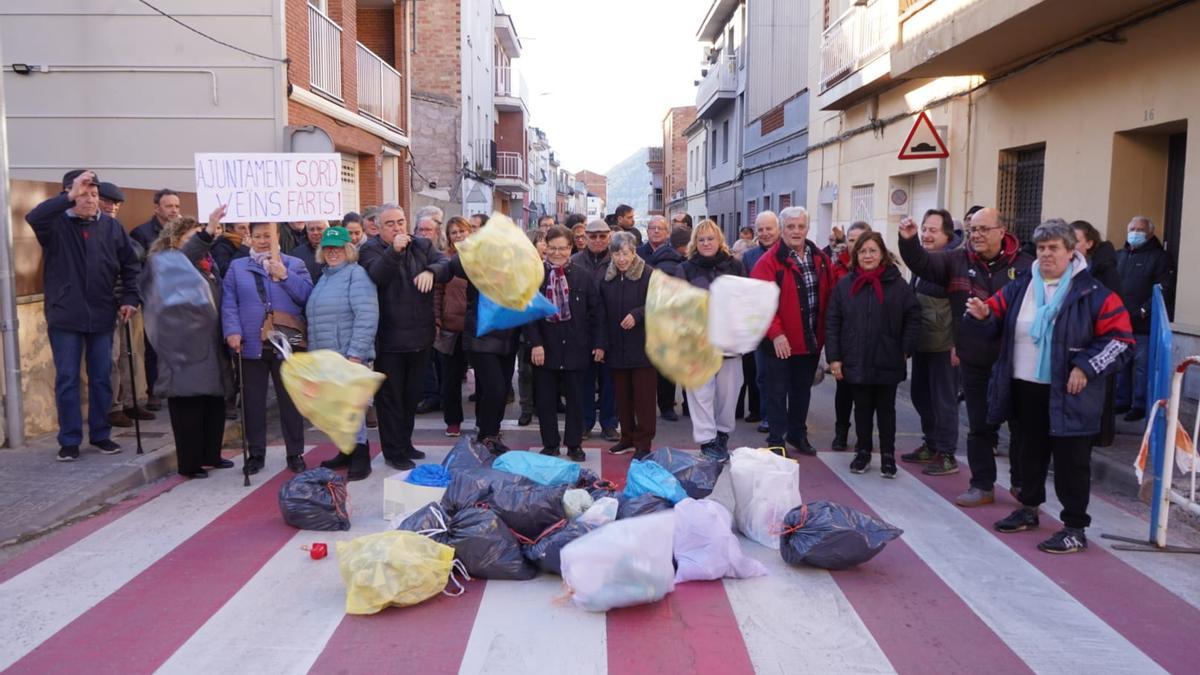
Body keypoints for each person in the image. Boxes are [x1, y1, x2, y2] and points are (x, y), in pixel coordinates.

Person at [965, 221, 1134, 554]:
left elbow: (1121, 341)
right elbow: (994, 318)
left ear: (1072, 252)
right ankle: (1029, 509)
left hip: (1071, 393)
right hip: (1026, 386)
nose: (1045, 254)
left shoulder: (1094, 294)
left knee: (1072, 462)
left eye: (1054, 247)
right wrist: (983, 315)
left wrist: (1085, 367)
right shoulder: (1021, 287)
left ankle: (1074, 527)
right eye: (1041, 248)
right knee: (1029, 453)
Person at [898, 206, 1033, 507]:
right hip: (975, 356)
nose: (978, 235)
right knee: (980, 425)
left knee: (1020, 426)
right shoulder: (957, 260)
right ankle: (982, 484)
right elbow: (923, 263)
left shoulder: (1026, 266)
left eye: (984, 229)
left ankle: (1022, 484)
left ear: (1002, 230)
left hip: (1016, 359)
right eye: (973, 230)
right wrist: (908, 241)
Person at [28, 171, 141, 461]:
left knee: (102, 377)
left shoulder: (112, 228)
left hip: (103, 314)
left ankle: (101, 434)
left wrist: (130, 298)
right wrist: (69, 195)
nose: (91, 200)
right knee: (67, 379)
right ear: (69, 195)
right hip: (65, 316)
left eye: (94, 194)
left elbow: (131, 265)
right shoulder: (54, 225)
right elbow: (33, 217)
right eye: (84, 193)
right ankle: (69, 440)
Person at [145, 209, 234, 478]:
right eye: (192, 236)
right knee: (189, 408)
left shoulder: (206, 265)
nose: (201, 241)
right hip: (183, 349)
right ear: (176, 239)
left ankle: (211, 454)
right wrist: (209, 229)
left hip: (210, 343)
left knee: (213, 403)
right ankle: (189, 463)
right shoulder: (167, 262)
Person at [221, 221, 313, 475]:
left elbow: (307, 296)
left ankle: (295, 452)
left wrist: (284, 275)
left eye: (268, 236)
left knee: (290, 401)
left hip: (286, 342)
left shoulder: (295, 264)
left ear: (277, 238)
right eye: (258, 236)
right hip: (251, 342)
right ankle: (256, 453)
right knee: (252, 402)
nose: (263, 241)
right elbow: (229, 302)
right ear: (250, 237)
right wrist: (232, 331)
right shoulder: (237, 267)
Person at [826, 232, 920, 477]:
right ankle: (863, 451)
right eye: (862, 251)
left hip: (887, 356)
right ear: (856, 256)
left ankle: (888, 455)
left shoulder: (897, 284)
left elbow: (913, 316)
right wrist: (834, 357)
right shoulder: (845, 285)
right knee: (862, 409)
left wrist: (905, 348)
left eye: (873, 251)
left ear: (882, 255)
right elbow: (833, 321)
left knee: (886, 410)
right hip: (855, 356)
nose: (868, 256)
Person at [358, 204, 444, 469]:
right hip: (390, 340)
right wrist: (393, 251)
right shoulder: (370, 249)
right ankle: (393, 451)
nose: (398, 228)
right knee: (390, 400)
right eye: (390, 224)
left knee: (410, 397)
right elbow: (377, 275)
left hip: (420, 337)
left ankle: (406, 444)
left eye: (401, 221)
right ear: (379, 227)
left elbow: (445, 263)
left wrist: (432, 271)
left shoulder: (421, 245)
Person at [750, 206, 834, 458]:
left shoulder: (820, 259)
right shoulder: (768, 262)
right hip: (778, 343)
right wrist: (776, 333)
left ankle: (797, 434)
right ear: (782, 230)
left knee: (802, 392)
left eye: (801, 226)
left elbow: (831, 293)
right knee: (776, 393)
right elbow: (759, 302)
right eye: (790, 227)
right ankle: (776, 440)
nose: (796, 231)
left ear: (807, 228)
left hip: (809, 340)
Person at [430, 222, 520, 455]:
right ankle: (487, 435)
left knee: (500, 391)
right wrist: (431, 272)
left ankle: (490, 432)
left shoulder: (518, 265)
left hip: (508, 337)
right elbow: (451, 267)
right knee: (495, 388)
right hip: (480, 337)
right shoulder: (476, 259)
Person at [306, 226, 379, 481]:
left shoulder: (356, 275)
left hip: (348, 356)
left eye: (337, 248)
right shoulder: (325, 277)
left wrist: (356, 354)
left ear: (348, 249)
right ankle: (346, 451)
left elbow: (367, 315)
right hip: (328, 357)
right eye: (328, 248)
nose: (332, 252)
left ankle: (361, 455)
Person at [524, 226, 603, 461]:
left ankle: (574, 444)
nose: (557, 253)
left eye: (563, 248)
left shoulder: (583, 276)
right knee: (545, 401)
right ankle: (550, 444)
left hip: (576, 347)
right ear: (545, 247)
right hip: (545, 348)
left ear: (571, 248)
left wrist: (597, 344)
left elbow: (595, 313)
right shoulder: (535, 276)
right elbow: (528, 313)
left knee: (576, 401)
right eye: (553, 248)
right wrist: (535, 344)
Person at [674, 220, 746, 460]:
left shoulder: (735, 266)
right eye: (701, 239)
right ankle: (707, 440)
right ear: (695, 243)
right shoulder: (685, 268)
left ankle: (723, 434)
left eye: (710, 239)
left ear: (719, 240)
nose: (706, 243)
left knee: (729, 393)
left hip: (729, 342)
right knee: (700, 394)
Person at [903, 209, 963, 476]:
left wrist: (958, 344)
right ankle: (931, 443)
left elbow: (961, 306)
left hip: (945, 346)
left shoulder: (955, 261)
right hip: (923, 343)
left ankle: (947, 453)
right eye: (924, 229)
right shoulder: (924, 262)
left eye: (933, 230)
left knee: (944, 401)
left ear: (947, 235)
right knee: (920, 396)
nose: (927, 235)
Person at [97, 182, 154, 429]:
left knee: (129, 356)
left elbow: (133, 258)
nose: (112, 207)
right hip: (106, 302)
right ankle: (114, 407)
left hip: (125, 301)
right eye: (107, 201)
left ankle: (130, 402)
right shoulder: (96, 228)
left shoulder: (116, 229)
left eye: (116, 203)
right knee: (112, 357)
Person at [599, 231, 656, 460]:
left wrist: (638, 314)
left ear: (634, 253)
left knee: (643, 399)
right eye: (617, 253)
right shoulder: (607, 278)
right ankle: (627, 437)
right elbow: (601, 313)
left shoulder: (648, 274)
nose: (621, 259)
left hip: (643, 348)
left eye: (626, 253)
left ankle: (643, 443)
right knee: (622, 398)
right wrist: (601, 344)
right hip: (617, 348)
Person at [1114, 216, 1173, 423]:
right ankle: (1121, 400)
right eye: (1132, 228)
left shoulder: (1159, 257)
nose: (1135, 232)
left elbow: (1163, 287)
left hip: (1143, 323)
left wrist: (1143, 310)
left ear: (1149, 233)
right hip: (1120, 322)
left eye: (1140, 229)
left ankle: (1138, 405)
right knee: (1122, 364)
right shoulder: (1119, 255)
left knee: (1141, 366)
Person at [130, 188, 181, 412]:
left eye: (177, 206)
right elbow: (138, 266)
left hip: (180, 294)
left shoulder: (183, 231)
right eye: (169, 206)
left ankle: (177, 386)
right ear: (157, 208)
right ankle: (154, 392)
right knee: (154, 346)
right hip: (154, 296)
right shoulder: (141, 233)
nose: (174, 210)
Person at [1072, 219, 1121, 446]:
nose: (1071, 245)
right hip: (1078, 336)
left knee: (1100, 388)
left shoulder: (1104, 268)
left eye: (1076, 241)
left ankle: (1100, 435)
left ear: (1090, 243)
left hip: (1099, 336)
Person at [573, 220, 620, 442]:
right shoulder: (574, 262)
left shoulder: (619, 260)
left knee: (610, 381)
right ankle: (585, 422)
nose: (598, 240)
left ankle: (610, 423)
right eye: (593, 236)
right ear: (585, 237)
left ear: (610, 236)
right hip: (583, 331)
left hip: (613, 330)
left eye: (603, 236)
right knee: (585, 381)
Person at [828, 221, 871, 451]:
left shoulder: (879, 264)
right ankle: (841, 431)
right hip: (846, 337)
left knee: (868, 393)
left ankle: (865, 437)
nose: (857, 245)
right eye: (852, 240)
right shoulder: (840, 266)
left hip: (871, 340)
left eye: (861, 239)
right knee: (843, 391)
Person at [641, 218, 686, 421]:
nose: (656, 231)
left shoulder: (677, 257)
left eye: (661, 228)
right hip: (642, 314)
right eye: (653, 228)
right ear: (647, 231)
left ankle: (667, 405)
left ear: (668, 233)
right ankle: (643, 405)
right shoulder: (638, 253)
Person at [741, 210, 781, 433]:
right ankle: (767, 416)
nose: (765, 233)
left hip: (786, 322)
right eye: (761, 230)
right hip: (760, 326)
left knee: (786, 378)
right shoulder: (749, 257)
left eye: (769, 229)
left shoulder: (790, 252)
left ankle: (791, 418)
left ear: (779, 229)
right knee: (763, 375)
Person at [434, 216, 472, 438]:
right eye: (453, 233)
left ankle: (484, 423)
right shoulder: (444, 261)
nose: (458, 236)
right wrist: (437, 320)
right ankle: (453, 421)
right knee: (451, 378)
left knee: (484, 380)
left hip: (476, 325)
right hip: (451, 326)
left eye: (461, 231)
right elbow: (437, 293)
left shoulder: (480, 259)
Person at [414, 214, 447, 416]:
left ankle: (440, 396)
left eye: (428, 230)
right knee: (426, 360)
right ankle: (429, 395)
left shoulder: (441, 255)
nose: (424, 234)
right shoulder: (411, 252)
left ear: (437, 233)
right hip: (420, 317)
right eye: (421, 230)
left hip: (444, 315)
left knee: (443, 361)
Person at [516, 229, 549, 426]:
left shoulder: (550, 267)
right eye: (541, 242)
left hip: (546, 327)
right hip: (525, 327)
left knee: (543, 371)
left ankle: (541, 405)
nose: (545, 246)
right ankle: (526, 408)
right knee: (525, 371)